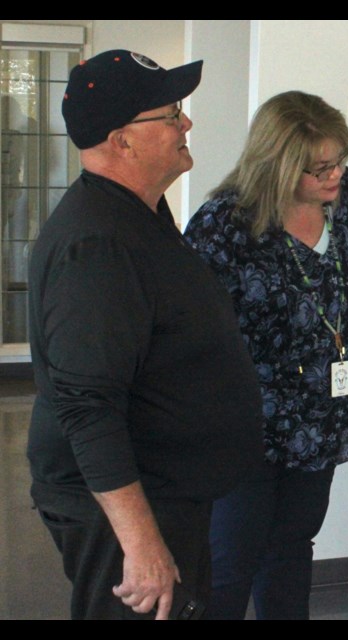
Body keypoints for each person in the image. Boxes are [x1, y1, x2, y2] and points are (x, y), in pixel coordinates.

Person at [27, 50, 263, 620]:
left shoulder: (140, 214)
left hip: (167, 493)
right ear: (123, 140)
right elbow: (87, 405)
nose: (187, 123)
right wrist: (141, 544)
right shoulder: (98, 246)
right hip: (124, 509)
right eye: (171, 112)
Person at [183, 91, 348, 619]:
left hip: (321, 418)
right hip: (244, 427)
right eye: (319, 168)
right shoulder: (224, 225)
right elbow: (190, 333)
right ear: (279, 164)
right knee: (229, 566)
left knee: (293, 549)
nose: (335, 175)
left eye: (341, 159)